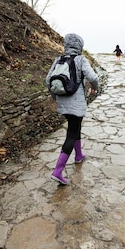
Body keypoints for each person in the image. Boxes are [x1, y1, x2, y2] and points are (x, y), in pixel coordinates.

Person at [46, 33, 99, 185]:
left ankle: (79, 155)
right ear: (80, 46)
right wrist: (94, 89)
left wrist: (55, 97)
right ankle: (58, 171)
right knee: (71, 134)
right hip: (76, 105)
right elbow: (94, 78)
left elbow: (48, 80)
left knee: (75, 128)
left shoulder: (59, 60)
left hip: (63, 103)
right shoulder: (80, 59)